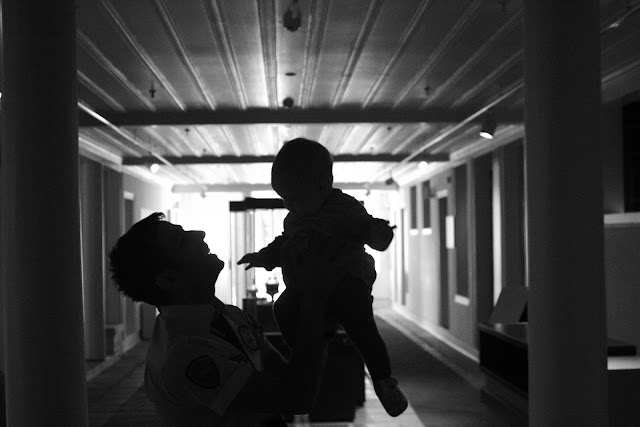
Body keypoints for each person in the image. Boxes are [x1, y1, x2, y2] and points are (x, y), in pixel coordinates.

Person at [109, 212, 340, 426]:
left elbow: (289, 377)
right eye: (181, 240)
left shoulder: (229, 314)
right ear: (168, 280)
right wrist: (314, 299)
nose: (199, 234)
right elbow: (296, 398)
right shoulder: (183, 356)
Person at [238, 137, 408, 417]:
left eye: (295, 198)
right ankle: (313, 346)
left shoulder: (345, 209)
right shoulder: (294, 218)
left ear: (323, 183)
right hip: (306, 284)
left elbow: (369, 230)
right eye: (284, 199)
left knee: (362, 330)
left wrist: (380, 233)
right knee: (282, 309)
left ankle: (383, 380)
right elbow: (284, 243)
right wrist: (264, 257)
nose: (289, 205)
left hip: (347, 279)